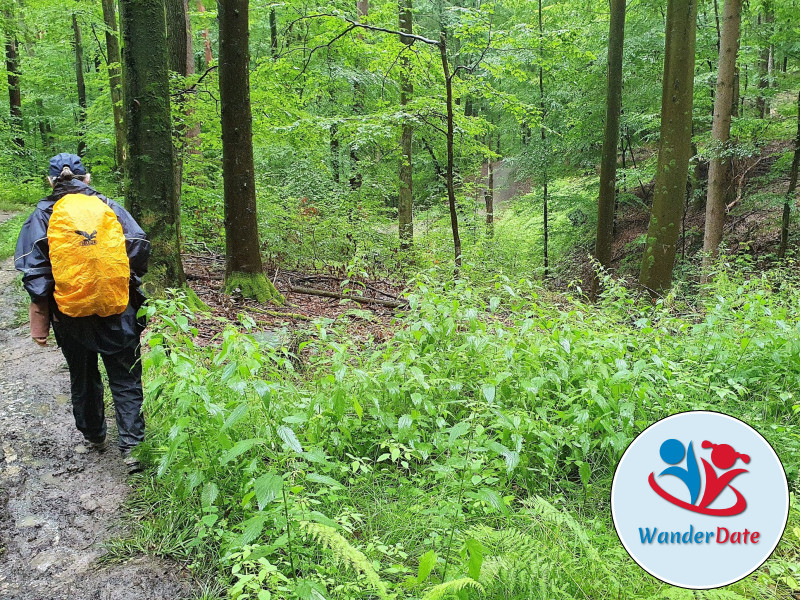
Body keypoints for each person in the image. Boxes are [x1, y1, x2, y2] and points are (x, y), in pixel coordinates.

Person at [14, 153, 150, 472]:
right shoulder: (109, 207)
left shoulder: (42, 214)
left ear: (51, 181)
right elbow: (139, 244)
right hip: (118, 309)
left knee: (83, 374)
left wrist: (52, 301)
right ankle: (133, 448)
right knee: (126, 375)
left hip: (70, 314)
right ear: (86, 178)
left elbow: (32, 269)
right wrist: (120, 278)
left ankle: (94, 434)